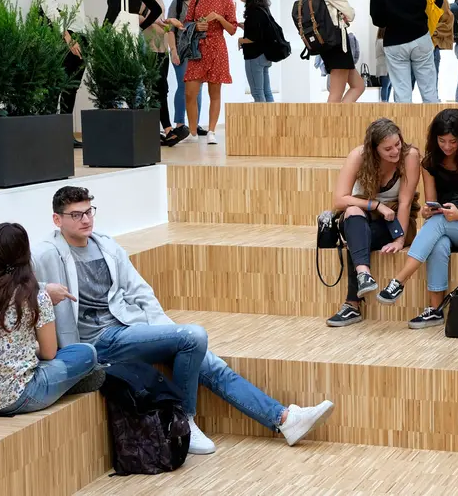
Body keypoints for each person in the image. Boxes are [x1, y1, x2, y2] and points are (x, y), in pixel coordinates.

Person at [33, 186, 335, 454]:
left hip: (127, 329)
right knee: (194, 337)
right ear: (57, 220)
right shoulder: (46, 253)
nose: (86, 220)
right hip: (97, 343)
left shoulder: (105, 245)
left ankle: (284, 419)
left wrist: (164, 328)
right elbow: (12, 287)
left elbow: (140, 290)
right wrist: (43, 290)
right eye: (76, 215)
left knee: (209, 363)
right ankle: (184, 419)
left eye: (89, 212)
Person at [377, 109, 458, 329]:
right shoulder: (430, 163)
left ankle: (398, 281)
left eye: (453, 141)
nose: (447, 146)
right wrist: (427, 212)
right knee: (438, 238)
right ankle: (435, 310)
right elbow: (431, 202)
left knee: (438, 224)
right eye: (442, 141)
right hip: (444, 223)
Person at [0, 223, 98, 416]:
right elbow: (48, 353)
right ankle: (65, 385)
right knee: (86, 352)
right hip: (22, 396)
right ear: (26, 252)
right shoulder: (36, 296)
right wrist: (27, 350)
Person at [326, 119, 421, 327]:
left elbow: (405, 203)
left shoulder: (409, 156)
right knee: (352, 213)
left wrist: (400, 239)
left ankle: (352, 305)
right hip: (364, 216)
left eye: (397, 144)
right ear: (373, 149)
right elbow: (339, 200)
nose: (395, 151)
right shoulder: (358, 156)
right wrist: (376, 205)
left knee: (357, 236)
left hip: (396, 221)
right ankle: (364, 275)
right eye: (387, 149)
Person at [369, 0, 441, 103]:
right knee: (429, 89)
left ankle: (403, 127)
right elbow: (438, 1)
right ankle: (436, 127)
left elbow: (377, 19)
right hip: (420, 38)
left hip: (395, 42)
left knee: (402, 92)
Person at [41, 0, 88, 148]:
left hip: (81, 34)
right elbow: (50, 9)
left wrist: (85, 36)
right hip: (63, 35)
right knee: (58, 85)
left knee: (73, 87)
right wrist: (68, 38)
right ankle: (53, 132)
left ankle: (66, 134)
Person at [184, 0, 237, 145]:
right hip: (198, 48)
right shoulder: (195, 0)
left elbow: (232, 29)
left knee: (214, 92)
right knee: (190, 92)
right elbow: (186, 24)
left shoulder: (227, 2)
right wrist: (196, 26)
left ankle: (211, 131)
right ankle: (192, 132)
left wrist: (219, 18)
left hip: (217, 48)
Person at [311, 0, 364, 103]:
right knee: (336, 93)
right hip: (337, 44)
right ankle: (331, 126)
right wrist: (347, 14)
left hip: (334, 44)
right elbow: (350, 13)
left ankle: (339, 121)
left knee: (358, 86)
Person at [164, 0, 205, 145]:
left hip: (199, 52)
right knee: (183, 86)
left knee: (198, 89)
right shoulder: (177, 3)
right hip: (181, 51)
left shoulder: (203, 3)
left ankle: (194, 125)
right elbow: (170, 30)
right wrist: (173, 51)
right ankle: (180, 123)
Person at [141, 0, 173, 141]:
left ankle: (163, 130)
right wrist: (162, 23)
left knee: (162, 89)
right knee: (156, 88)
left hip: (161, 47)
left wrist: (169, 25)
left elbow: (160, 22)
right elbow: (141, 16)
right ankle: (166, 129)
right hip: (150, 46)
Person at [413, 0, 453, 89]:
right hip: (410, 45)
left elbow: (447, 22)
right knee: (406, 87)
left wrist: (431, 33)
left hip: (431, 46)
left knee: (431, 87)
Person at [238, 0, 275, 103]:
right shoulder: (263, 10)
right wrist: (245, 27)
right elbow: (260, 31)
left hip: (254, 56)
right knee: (266, 91)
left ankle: (263, 121)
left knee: (257, 92)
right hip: (265, 55)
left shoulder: (253, 12)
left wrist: (241, 40)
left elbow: (254, 37)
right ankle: (272, 120)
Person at [375, 28, 392, 102]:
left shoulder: (378, 41)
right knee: (386, 86)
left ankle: (386, 102)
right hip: (385, 67)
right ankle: (384, 102)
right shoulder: (382, 42)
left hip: (383, 66)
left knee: (388, 86)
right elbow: (389, 53)